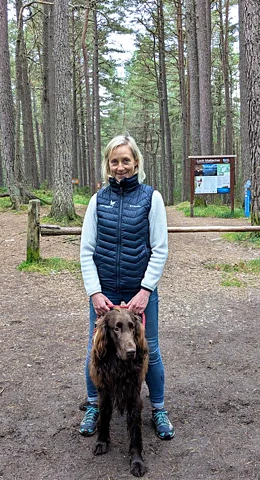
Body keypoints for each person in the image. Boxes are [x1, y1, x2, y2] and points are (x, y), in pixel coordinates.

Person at [79, 134, 174, 440]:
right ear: (108, 164)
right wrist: (95, 292)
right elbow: (86, 250)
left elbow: (160, 248)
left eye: (126, 161)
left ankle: (158, 409)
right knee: (98, 351)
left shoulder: (151, 198)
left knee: (150, 351)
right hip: (105, 297)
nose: (120, 167)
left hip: (140, 295)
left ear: (136, 163)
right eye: (114, 161)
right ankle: (95, 405)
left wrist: (146, 290)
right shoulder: (97, 201)